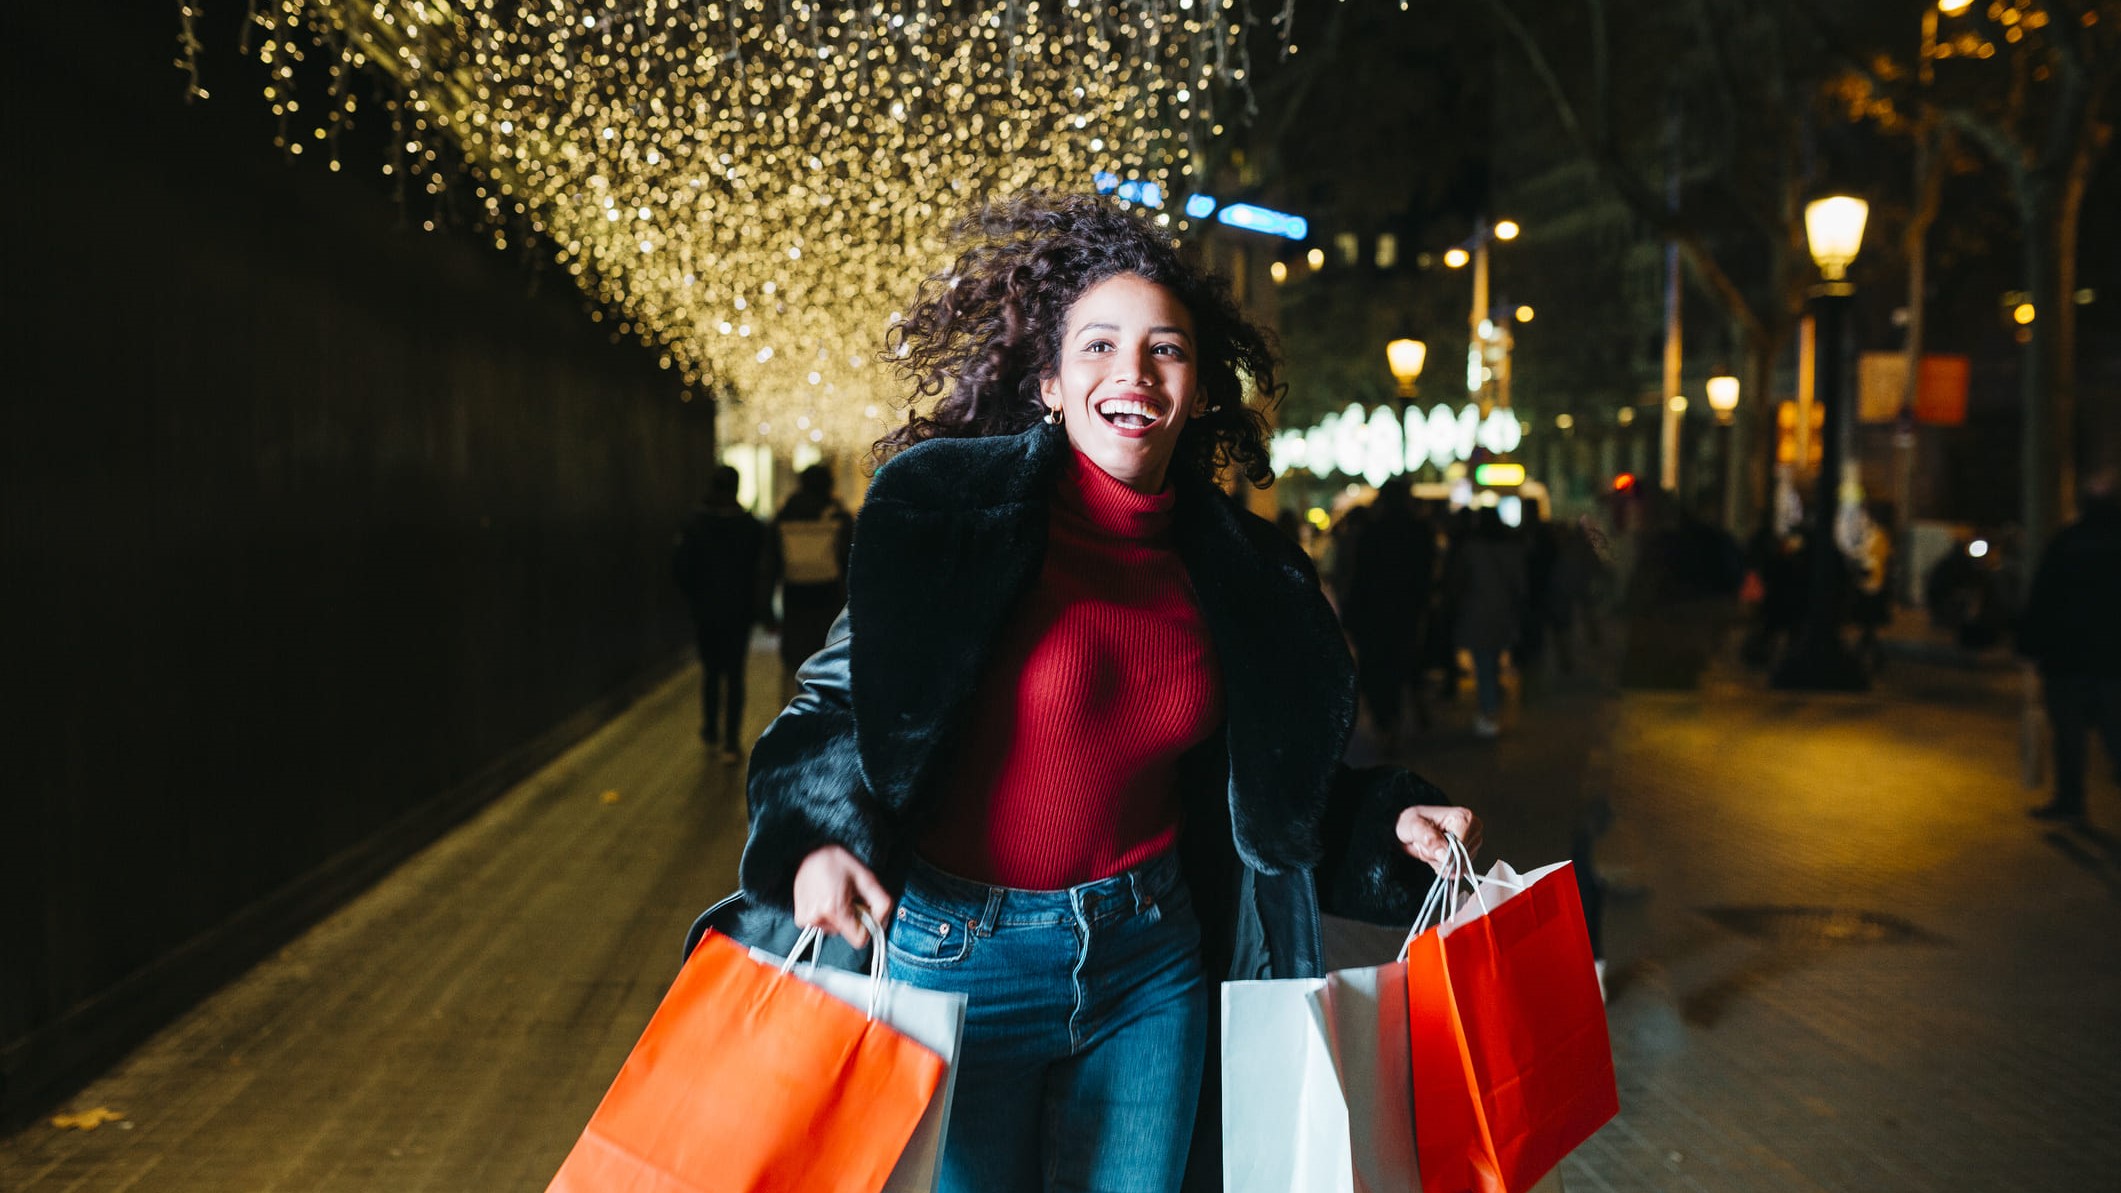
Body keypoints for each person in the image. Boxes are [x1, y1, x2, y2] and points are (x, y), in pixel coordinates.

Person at [690, 192, 1483, 1193]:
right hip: (952, 959)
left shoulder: (1252, 577)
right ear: (1053, 382)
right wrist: (814, 841)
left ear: (1198, 390)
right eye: (1099, 346)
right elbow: (834, 714)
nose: (1133, 374)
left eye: (1166, 350)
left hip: (1150, 963)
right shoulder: (951, 521)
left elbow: (1269, 788)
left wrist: (1388, 822)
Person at [2017, 465, 2121, 823]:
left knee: (2070, 738)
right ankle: (2070, 800)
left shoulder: (2067, 541)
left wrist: (2030, 646)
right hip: (2109, 661)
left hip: (2068, 659)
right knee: (2113, 736)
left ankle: (2070, 801)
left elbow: (2043, 598)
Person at [671, 465, 769, 761]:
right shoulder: (751, 526)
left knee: (711, 671)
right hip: (739, 611)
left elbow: (681, 569)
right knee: (735, 674)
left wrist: (695, 597)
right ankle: (731, 741)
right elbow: (759, 572)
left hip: (705, 609)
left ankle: (711, 729)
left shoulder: (693, 524)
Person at [1340, 479, 1438, 744]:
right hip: (1406, 609)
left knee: (1377, 668)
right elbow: (1426, 575)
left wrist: (1351, 611)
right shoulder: (1419, 532)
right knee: (1403, 661)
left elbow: (1358, 576)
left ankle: (1387, 723)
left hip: (1374, 611)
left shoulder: (1371, 533)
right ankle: (1401, 715)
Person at [765, 462, 853, 684]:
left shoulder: (785, 515)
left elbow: (769, 565)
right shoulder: (838, 515)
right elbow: (851, 562)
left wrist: (766, 612)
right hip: (831, 598)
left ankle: (794, 707)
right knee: (828, 656)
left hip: (795, 597)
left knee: (795, 658)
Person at [1452, 506, 1528, 737]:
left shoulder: (1471, 550)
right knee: (1492, 661)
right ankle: (1491, 706)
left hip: (1477, 612)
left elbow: (1459, 581)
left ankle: (1489, 711)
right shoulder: (1512, 549)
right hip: (1503, 614)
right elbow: (1521, 586)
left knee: (1483, 662)